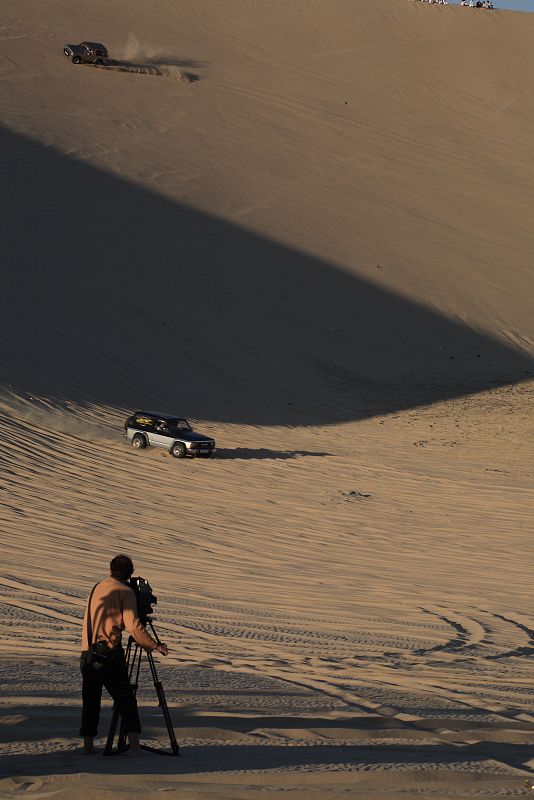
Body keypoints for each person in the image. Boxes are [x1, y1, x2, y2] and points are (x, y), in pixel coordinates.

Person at [79, 554, 168, 755]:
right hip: (109, 654)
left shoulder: (96, 588)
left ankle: (88, 746)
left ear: (111, 570)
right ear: (129, 574)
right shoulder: (126, 592)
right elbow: (134, 627)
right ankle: (135, 746)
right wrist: (155, 645)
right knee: (126, 699)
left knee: (91, 700)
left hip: (88, 653)